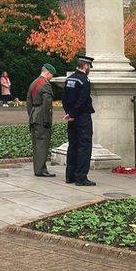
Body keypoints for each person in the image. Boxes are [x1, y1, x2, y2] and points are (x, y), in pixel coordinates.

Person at [62, 55, 95, 186]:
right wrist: (74, 114)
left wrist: (69, 114)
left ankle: (70, 176)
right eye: (89, 67)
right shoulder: (84, 81)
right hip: (82, 118)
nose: (89, 69)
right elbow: (83, 101)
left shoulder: (69, 79)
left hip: (71, 117)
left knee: (73, 145)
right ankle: (81, 177)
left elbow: (64, 99)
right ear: (85, 66)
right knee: (84, 147)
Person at [27, 64, 58, 177]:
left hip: (34, 115)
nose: (51, 77)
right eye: (51, 75)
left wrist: (31, 115)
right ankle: (41, 170)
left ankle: (39, 168)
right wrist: (47, 120)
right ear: (47, 73)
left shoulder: (34, 83)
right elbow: (47, 105)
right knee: (42, 144)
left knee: (36, 144)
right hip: (42, 117)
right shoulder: (45, 85)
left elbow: (29, 102)